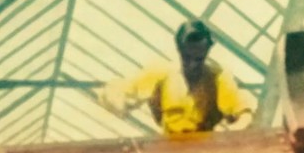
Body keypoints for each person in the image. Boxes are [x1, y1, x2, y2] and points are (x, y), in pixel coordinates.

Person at [98, 19, 254, 135]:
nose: (192, 65)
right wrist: (116, 98)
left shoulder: (217, 77)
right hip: (171, 147)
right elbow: (124, 89)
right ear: (179, 50)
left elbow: (242, 107)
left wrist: (236, 127)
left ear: (206, 53)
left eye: (199, 59)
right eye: (187, 58)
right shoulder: (161, 73)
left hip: (206, 149)